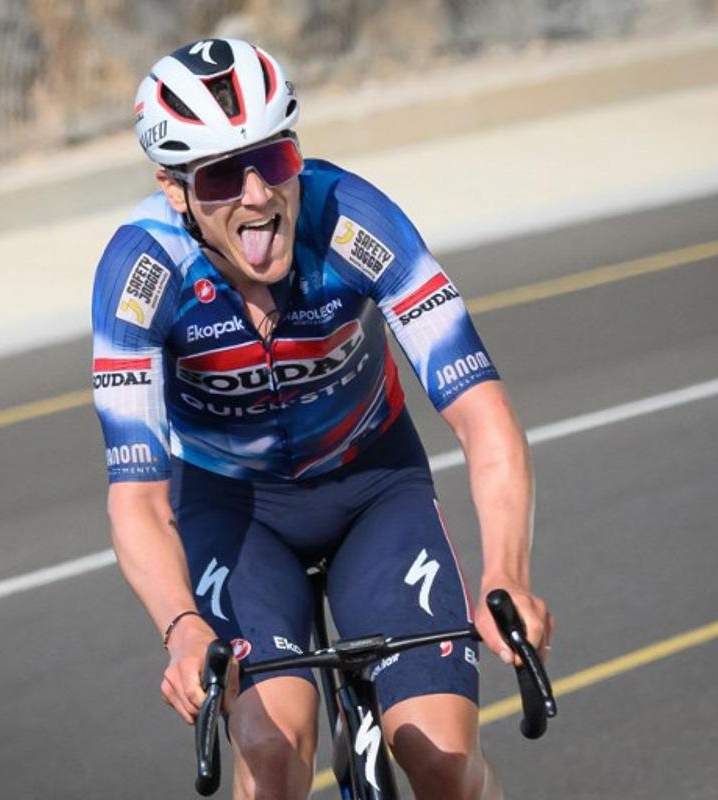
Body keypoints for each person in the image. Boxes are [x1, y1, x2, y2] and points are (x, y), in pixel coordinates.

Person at [91, 38, 552, 800]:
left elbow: (483, 413)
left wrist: (507, 572)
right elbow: (137, 495)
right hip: (235, 513)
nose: (256, 195)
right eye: (217, 175)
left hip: (374, 487)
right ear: (173, 189)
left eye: (273, 160)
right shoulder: (141, 275)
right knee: (272, 758)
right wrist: (181, 628)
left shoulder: (351, 219)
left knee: (441, 758)